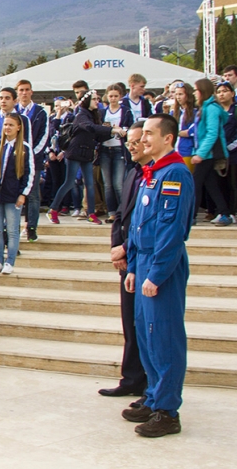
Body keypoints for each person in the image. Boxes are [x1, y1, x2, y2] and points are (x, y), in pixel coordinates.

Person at [123, 113, 194, 437]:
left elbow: (171, 231)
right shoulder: (152, 173)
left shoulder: (176, 173)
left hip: (162, 266)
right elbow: (139, 225)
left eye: (150, 133)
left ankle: (168, 411)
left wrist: (156, 274)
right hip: (145, 263)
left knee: (164, 338)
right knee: (146, 337)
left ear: (168, 138)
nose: (143, 139)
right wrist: (135, 267)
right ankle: (153, 397)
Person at [100, 121, 149, 400]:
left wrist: (127, 250)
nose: (131, 146)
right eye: (128, 141)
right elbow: (120, 214)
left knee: (146, 326)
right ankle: (131, 378)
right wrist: (116, 246)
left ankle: (149, 384)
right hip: (127, 257)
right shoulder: (133, 172)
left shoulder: (160, 175)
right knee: (129, 323)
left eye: (137, 141)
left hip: (142, 259)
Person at [48, 90, 122, 225]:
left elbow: (97, 135)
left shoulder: (94, 115)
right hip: (75, 152)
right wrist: (112, 130)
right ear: (87, 101)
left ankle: (91, 213)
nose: (97, 102)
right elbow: (89, 127)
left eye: (97, 99)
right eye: (94, 99)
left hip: (86, 153)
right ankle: (53, 209)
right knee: (70, 182)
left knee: (90, 184)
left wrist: (112, 133)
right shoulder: (82, 114)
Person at [0, 114, 33, 275]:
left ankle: (9, 261)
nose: (7, 128)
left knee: (12, 230)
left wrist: (23, 194)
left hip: (13, 195)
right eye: (5, 124)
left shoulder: (24, 148)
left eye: (11, 125)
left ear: (18, 127)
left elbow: (29, 173)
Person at [190, 79, 232, 226]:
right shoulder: (205, 108)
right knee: (211, 184)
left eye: (196, 90)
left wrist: (200, 153)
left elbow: (212, 133)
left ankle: (191, 215)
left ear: (202, 91)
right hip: (205, 153)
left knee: (196, 184)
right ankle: (225, 212)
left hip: (208, 154)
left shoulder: (212, 108)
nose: (194, 93)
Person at [14, 80, 48, 241]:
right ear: (17, 92)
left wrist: (30, 155)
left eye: (27, 90)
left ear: (31, 92)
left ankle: (31, 227)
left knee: (33, 195)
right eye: (21, 90)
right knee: (15, 193)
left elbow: (44, 136)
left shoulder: (40, 112)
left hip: (34, 159)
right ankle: (14, 229)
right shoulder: (14, 112)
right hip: (14, 159)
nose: (24, 93)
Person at [217, 81, 237, 221]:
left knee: (234, 183)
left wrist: (228, 148)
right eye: (218, 92)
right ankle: (221, 211)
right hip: (218, 154)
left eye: (224, 91)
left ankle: (235, 210)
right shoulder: (215, 110)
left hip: (235, 153)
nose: (221, 94)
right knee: (220, 183)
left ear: (232, 93)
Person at [99, 84, 130, 224]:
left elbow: (131, 127)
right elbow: (99, 129)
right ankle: (112, 213)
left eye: (116, 96)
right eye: (110, 96)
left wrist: (121, 129)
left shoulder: (126, 111)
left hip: (119, 148)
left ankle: (123, 211)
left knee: (118, 183)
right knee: (108, 184)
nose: (113, 99)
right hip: (105, 148)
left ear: (120, 97)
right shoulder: (102, 112)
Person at [170, 83, 196, 171]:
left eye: (180, 94)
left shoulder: (196, 112)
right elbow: (169, 129)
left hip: (188, 152)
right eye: (176, 94)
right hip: (174, 152)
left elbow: (191, 131)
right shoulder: (174, 112)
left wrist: (178, 132)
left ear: (188, 95)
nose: (178, 97)